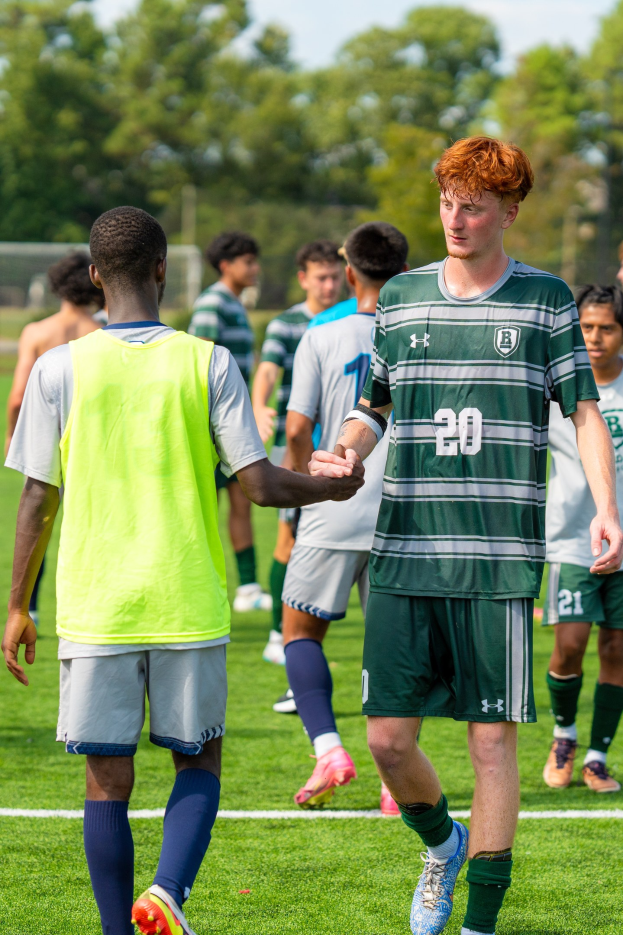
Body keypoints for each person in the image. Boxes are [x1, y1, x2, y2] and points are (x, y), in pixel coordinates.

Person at [2, 206, 363, 935]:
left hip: (96, 607)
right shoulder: (209, 362)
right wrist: (332, 487)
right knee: (198, 763)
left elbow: (38, 496)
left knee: (105, 780)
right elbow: (259, 484)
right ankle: (167, 892)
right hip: (187, 600)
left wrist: (16, 607)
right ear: (164, 270)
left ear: (95, 275)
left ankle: (118, 929)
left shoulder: (58, 367)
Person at [309, 137, 623, 935]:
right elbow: (374, 404)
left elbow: (584, 411)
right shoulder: (402, 297)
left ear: (509, 212)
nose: (455, 219)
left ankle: (479, 924)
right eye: (447, 202)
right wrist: (346, 448)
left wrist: (605, 505)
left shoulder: (545, 300)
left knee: (491, 746)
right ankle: (440, 845)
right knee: (386, 741)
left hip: (497, 562)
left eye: (474, 206)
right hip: (405, 551)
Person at [282, 222, 406, 814]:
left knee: (300, 632)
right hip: (400, 513)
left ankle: (329, 751)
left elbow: (296, 428)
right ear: (403, 273)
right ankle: (396, 778)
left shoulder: (321, 334)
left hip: (331, 504)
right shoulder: (418, 334)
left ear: (349, 272)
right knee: (393, 647)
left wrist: (298, 495)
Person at [543, 283, 623, 793]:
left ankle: (597, 757)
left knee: (616, 649)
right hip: (572, 540)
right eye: (586, 327)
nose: (594, 337)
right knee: (570, 646)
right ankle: (564, 735)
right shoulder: (557, 387)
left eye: (607, 328)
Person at [252, 240, 344, 665]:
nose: (329, 285)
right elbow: (268, 369)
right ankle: (278, 633)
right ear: (303, 278)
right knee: (287, 539)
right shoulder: (287, 325)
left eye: (335, 276)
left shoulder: (350, 319)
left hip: (342, 447)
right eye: (321, 277)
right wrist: (259, 404)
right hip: (295, 445)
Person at [4, 251, 104, 624]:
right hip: (87, 442)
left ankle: (29, 606)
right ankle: (94, 602)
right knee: (89, 522)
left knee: (38, 518)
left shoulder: (37, 332)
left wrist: (12, 434)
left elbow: (18, 396)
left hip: (45, 438)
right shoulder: (102, 333)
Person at [188, 231, 271, 612]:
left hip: (234, 425)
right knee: (203, 509)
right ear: (226, 265)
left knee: (243, 500)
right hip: (212, 428)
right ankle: (198, 588)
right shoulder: (212, 303)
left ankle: (248, 588)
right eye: (248, 262)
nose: (255, 268)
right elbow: (199, 362)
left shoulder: (234, 304)